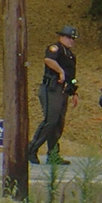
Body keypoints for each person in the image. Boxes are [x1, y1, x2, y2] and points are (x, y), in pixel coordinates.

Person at [26, 25, 79, 165]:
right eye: (69, 37)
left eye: (73, 38)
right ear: (61, 37)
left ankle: (53, 155)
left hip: (63, 91)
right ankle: (31, 149)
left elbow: (71, 76)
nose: (71, 41)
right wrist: (60, 71)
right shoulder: (55, 48)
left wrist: (74, 92)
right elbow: (48, 60)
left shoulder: (70, 55)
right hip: (51, 89)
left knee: (58, 123)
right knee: (50, 120)